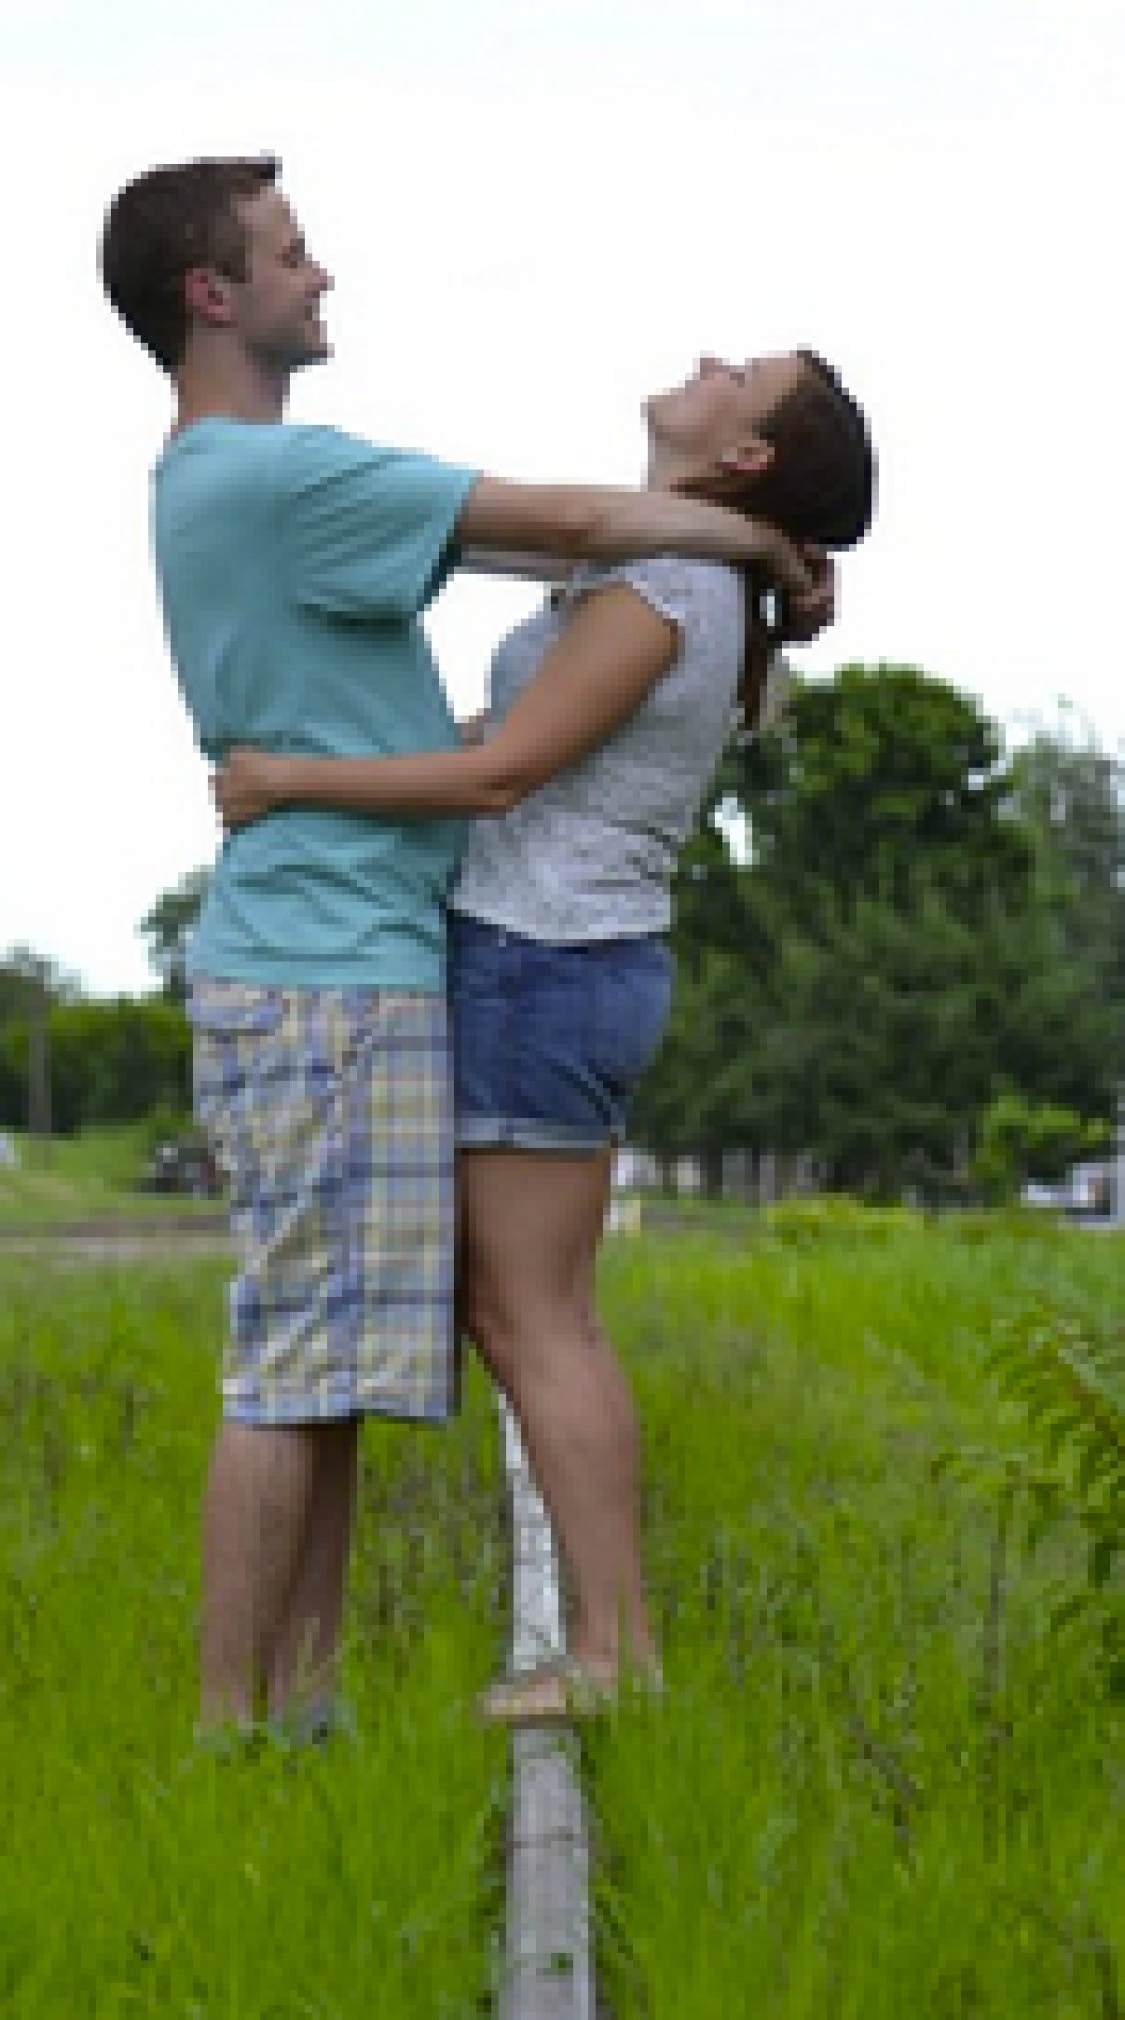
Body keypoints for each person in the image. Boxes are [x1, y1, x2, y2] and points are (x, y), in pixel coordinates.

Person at [100, 153, 829, 1735]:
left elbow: (511, 720)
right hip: (334, 964)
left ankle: (305, 1715)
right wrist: (758, 547)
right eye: (292, 255)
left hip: (406, 951)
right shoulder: (282, 479)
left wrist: (744, 548)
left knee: (357, 1363)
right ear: (210, 295)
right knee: (313, 1365)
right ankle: (247, 1731)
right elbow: (552, 531)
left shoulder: (253, 485)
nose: (324, 274)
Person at [214, 347, 875, 1720]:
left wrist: (290, 782)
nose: (705, 362)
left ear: (743, 454)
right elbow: (509, 734)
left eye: (738, 374)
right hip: (556, 957)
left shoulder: (667, 585)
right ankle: (604, 1646)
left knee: (536, 1322)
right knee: (526, 1316)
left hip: (541, 959)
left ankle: (613, 1654)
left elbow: (503, 773)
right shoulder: (680, 571)